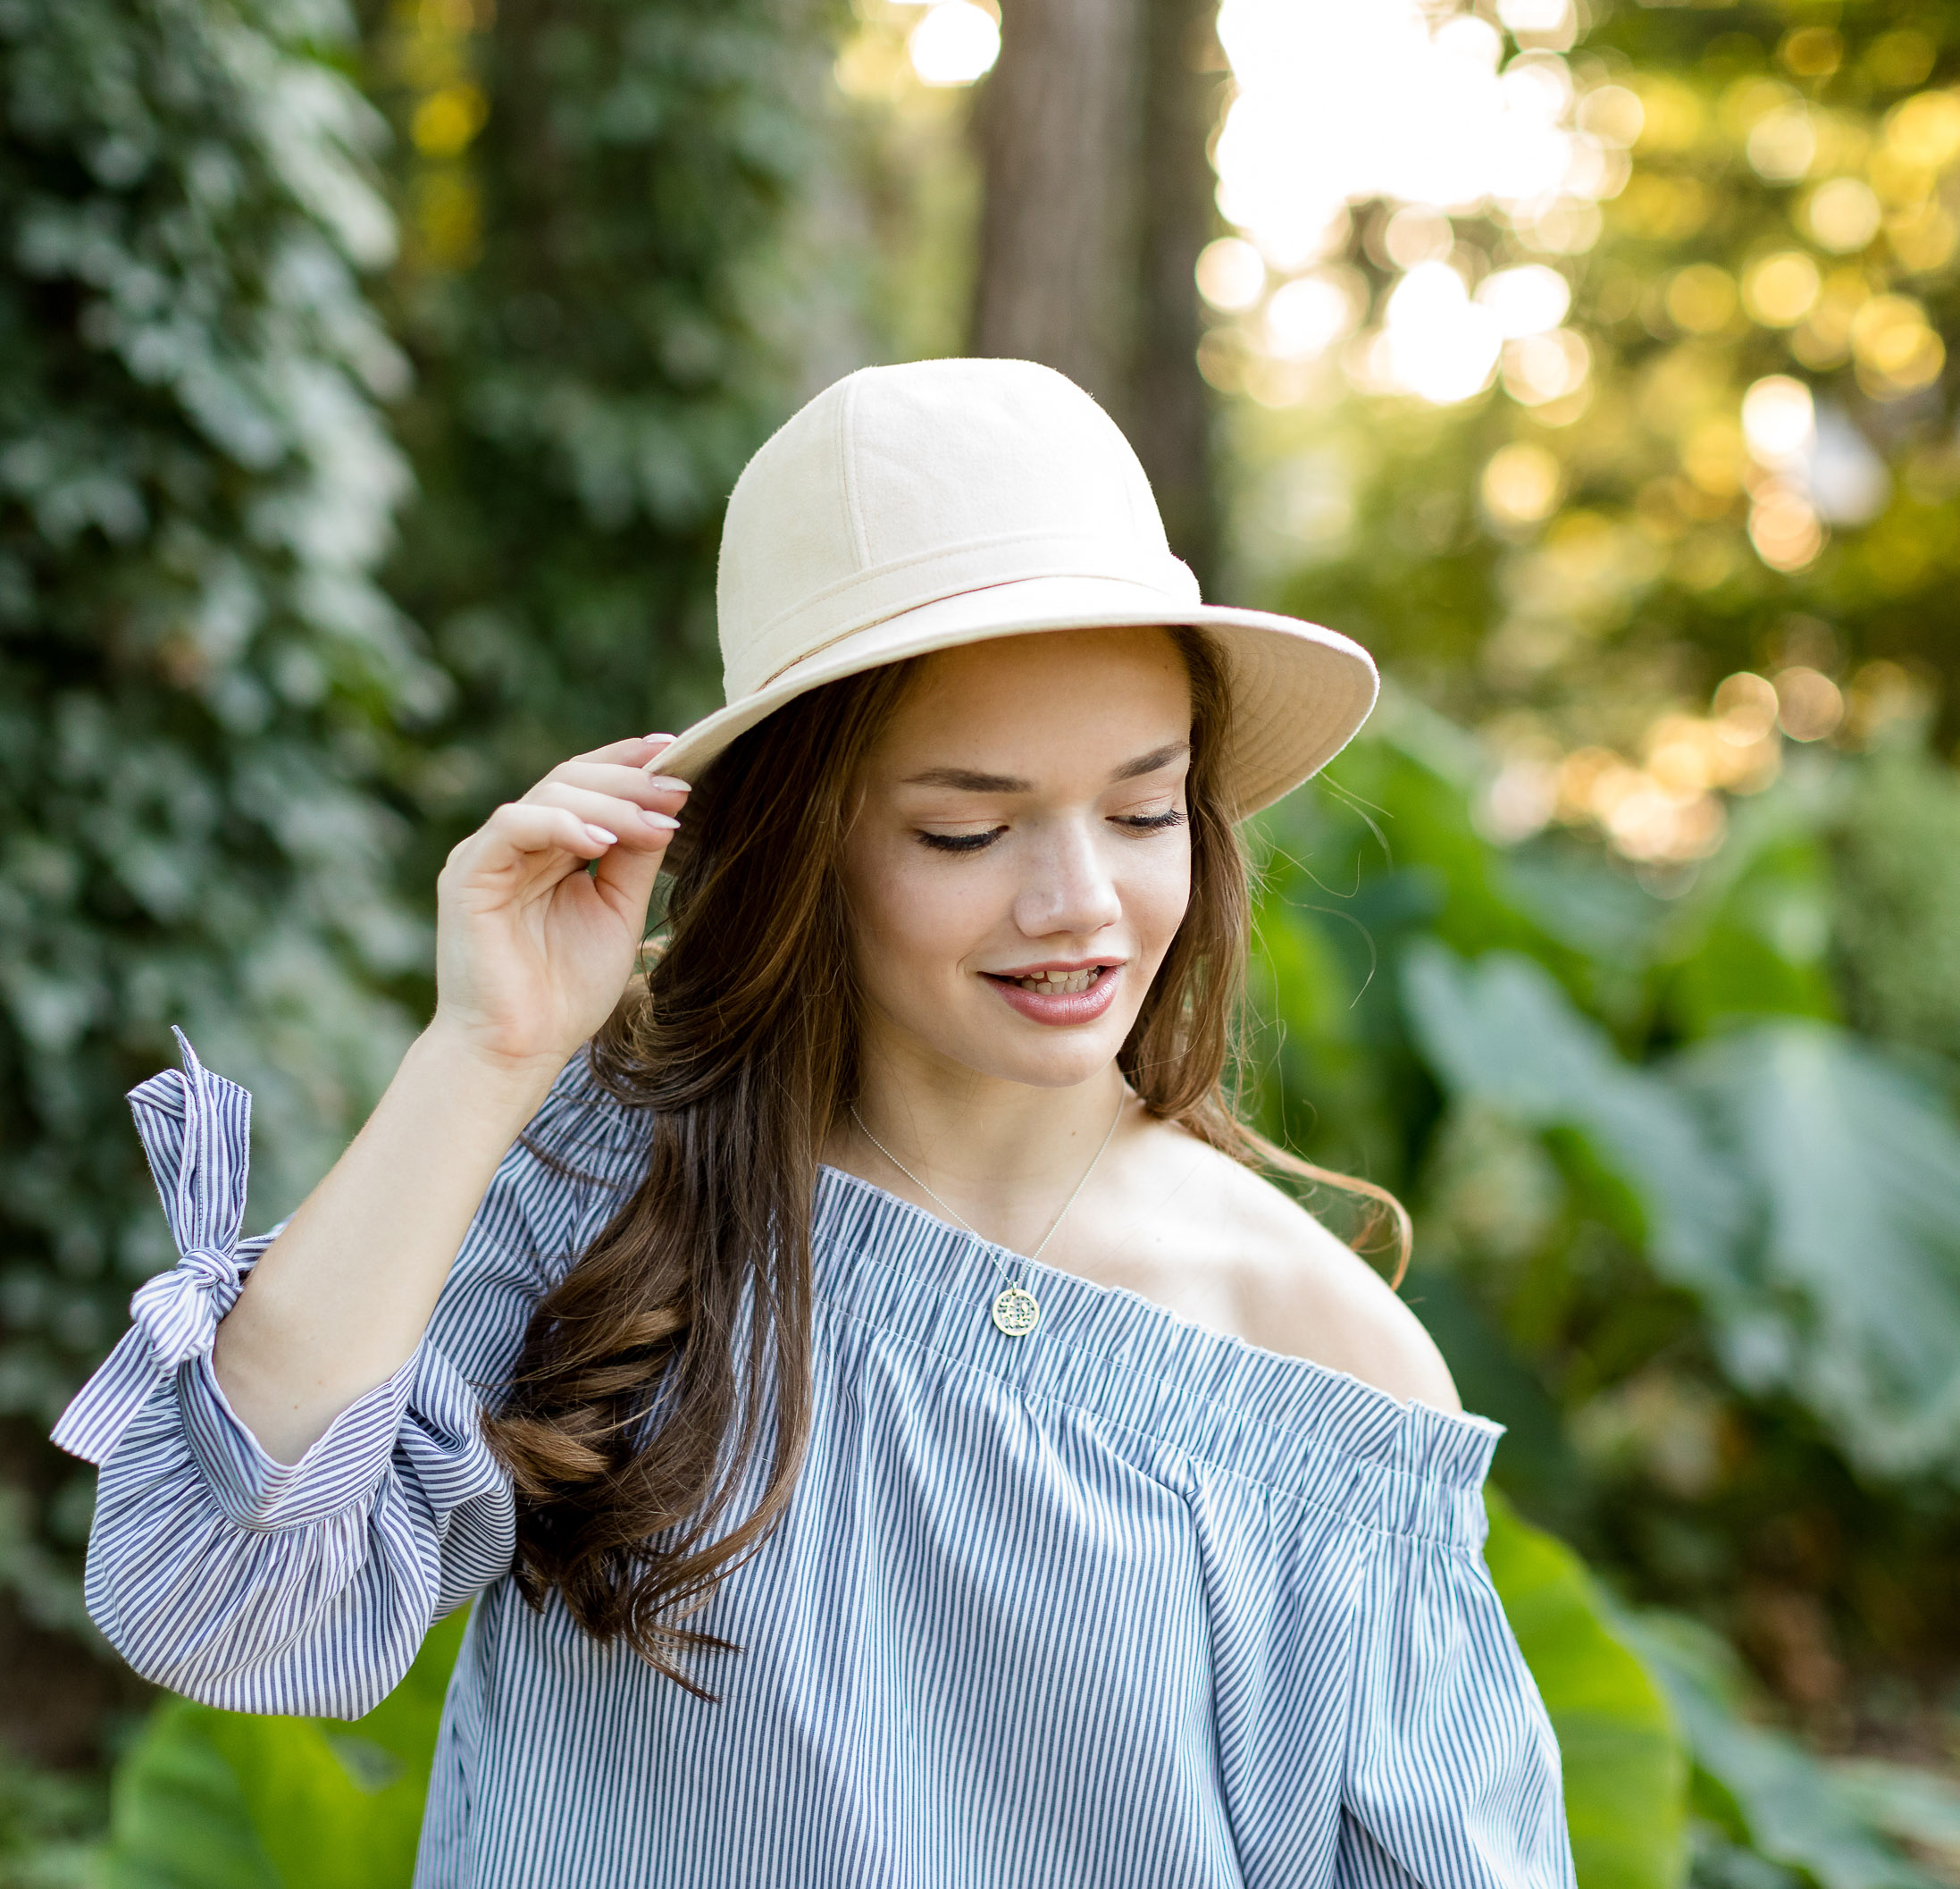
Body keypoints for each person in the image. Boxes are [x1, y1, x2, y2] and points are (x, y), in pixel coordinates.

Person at [55, 359, 1576, 1888]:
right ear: (804, 843)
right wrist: (485, 1050)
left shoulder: (1314, 1361)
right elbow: (226, 1598)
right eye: (964, 828)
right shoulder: (607, 1179)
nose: (1079, 905)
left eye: (1141, 809)